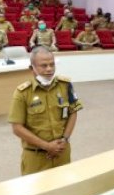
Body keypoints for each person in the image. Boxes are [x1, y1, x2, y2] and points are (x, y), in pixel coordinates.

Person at [8, 46, 83, 175]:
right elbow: (17, 128)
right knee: (36, 191)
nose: (49, 69)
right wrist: (47, 146)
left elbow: (73, 112)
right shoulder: (22, 93)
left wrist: (64, 139)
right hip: (36, 156)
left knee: (64, 187)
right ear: (32, 69)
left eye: (52, 64)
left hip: (62, 151)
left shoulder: (65, 85)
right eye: (44, 66)